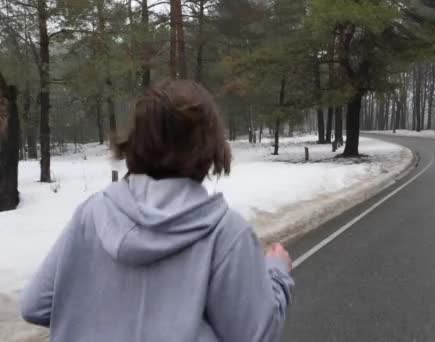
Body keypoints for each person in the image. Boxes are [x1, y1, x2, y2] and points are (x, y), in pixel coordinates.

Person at [20, 80, 295, 342]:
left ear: (135, 141)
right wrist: (277, 274)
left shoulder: (92, 213)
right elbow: (256, 335)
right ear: (210, 146)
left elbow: (36, 305)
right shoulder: (225, 233)